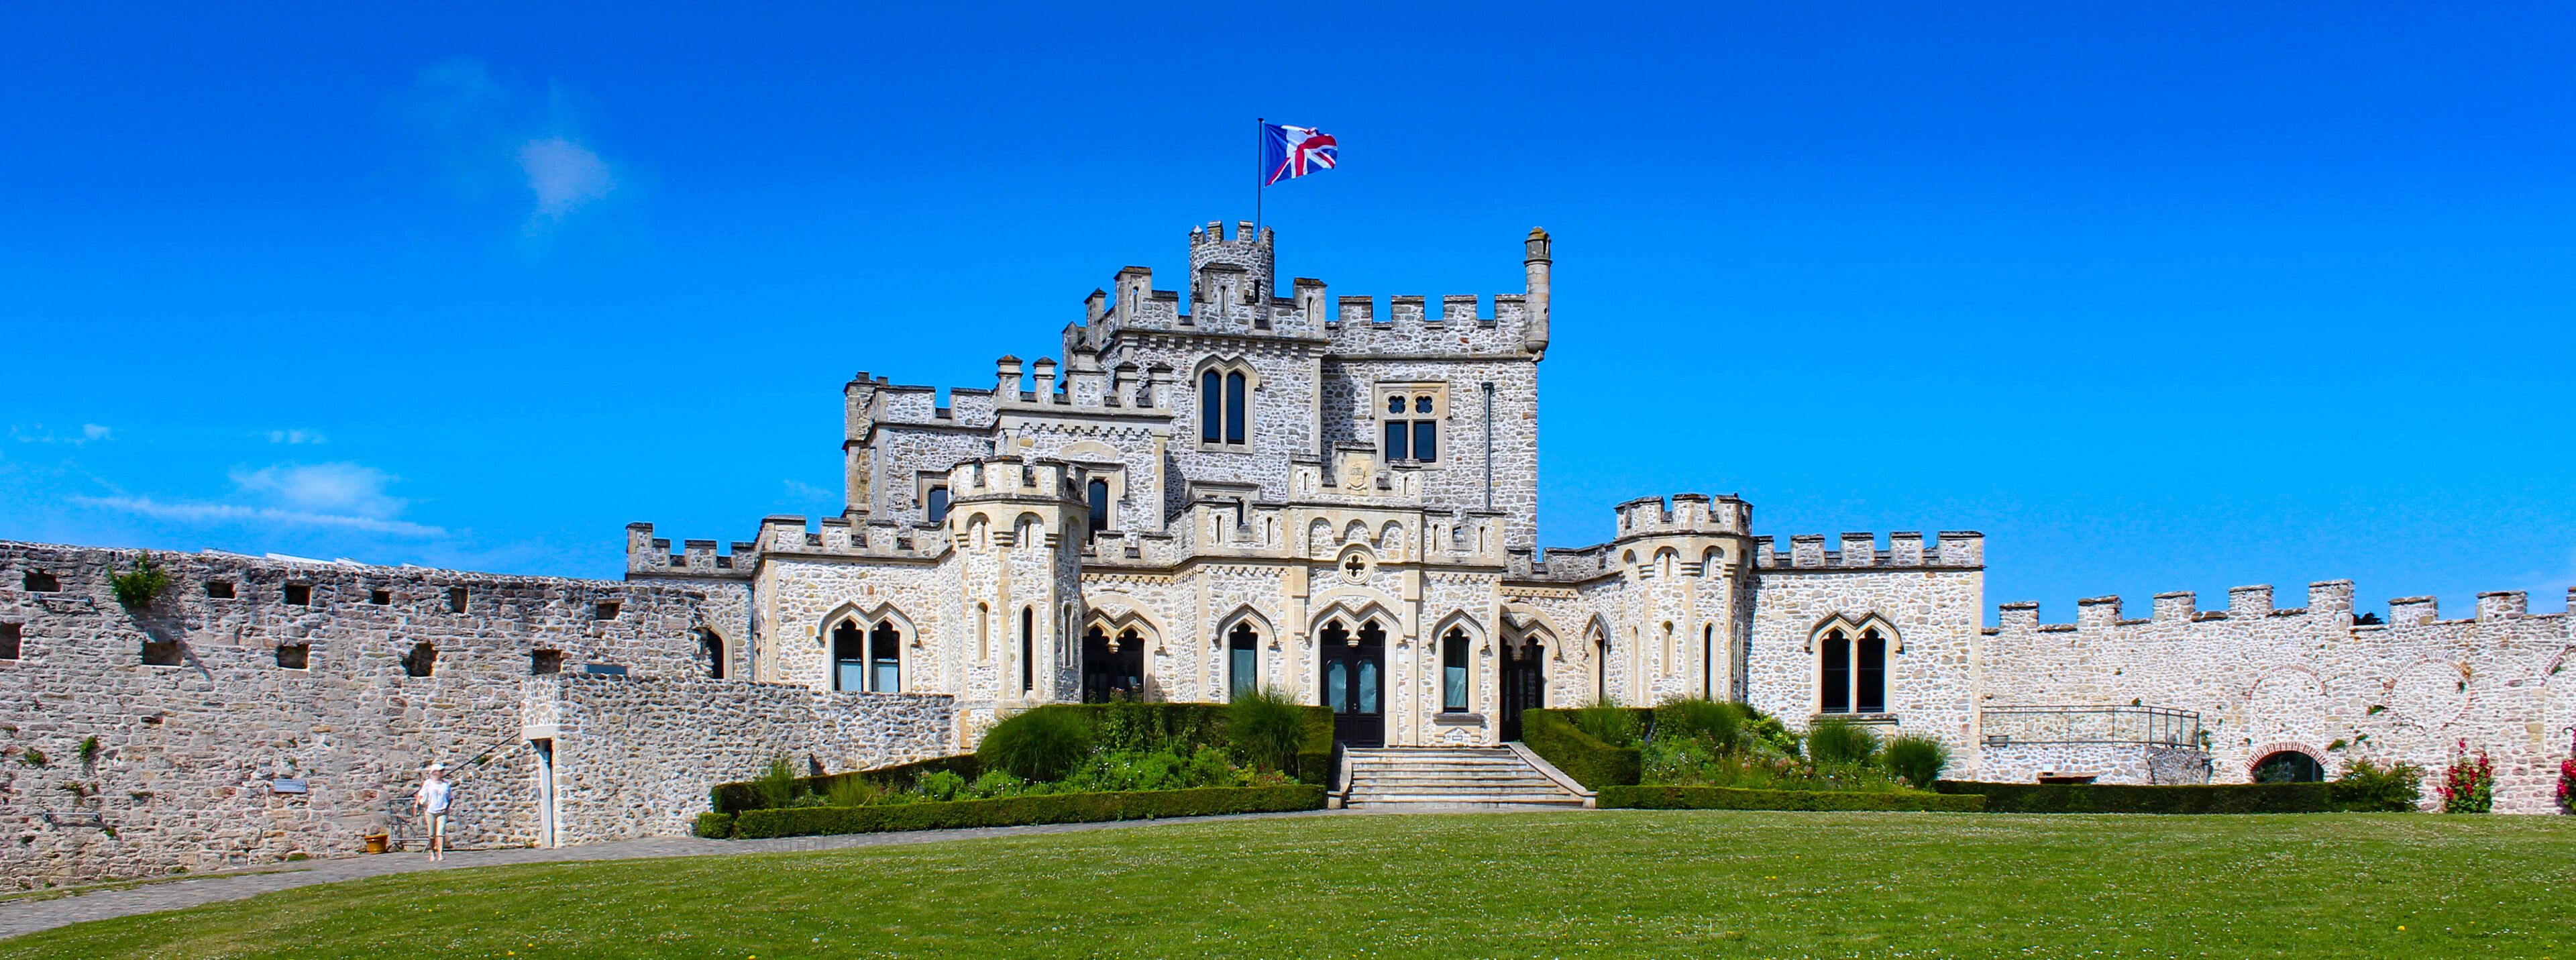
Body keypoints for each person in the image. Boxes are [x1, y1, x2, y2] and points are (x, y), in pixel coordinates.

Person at [413, 762, 453, 861]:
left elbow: (450, 797)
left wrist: (447, 807)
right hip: (430, 811)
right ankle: (432, 851)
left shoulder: (446, 785)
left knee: (441, 833)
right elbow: (421, 794)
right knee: (431, 834)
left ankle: (440, 853)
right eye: (440, 771)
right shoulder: (428, 783)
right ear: (434, 772)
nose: (442, 773)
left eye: (442, 771)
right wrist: (416, 804)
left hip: (442, 811)